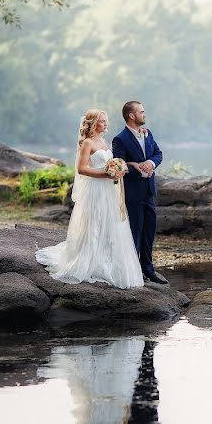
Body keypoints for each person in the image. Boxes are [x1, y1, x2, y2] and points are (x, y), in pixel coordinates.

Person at [35, 109, 145, 289]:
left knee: (111, 224)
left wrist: (118, 168)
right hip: (96, 190)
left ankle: (108, 260)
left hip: (110, 190)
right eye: (102, 121)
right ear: (93, 123)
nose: (106, 124)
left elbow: (109, 163)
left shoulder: (102, 141)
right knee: (95, 223)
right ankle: (90, 261)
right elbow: (82, 169)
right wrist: (105, 173)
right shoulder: (87, 143)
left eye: (106, 120)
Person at [112, 100, 168, 285]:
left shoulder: (148, 133)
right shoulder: (120, 139)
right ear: (131, 115)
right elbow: (118, 163)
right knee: (134, 231)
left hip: (149, 191)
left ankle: (148, 269)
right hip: (133, 192)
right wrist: (133, 165)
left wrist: (151, 163)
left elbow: (158, 154)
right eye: (141, 112)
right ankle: (133, 271)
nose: (144, 114)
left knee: (149, 230)